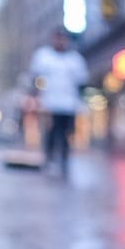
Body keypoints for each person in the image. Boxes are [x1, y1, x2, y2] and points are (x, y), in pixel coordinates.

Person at [29, 29, 88, 176]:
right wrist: (35, 96)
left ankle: (64, 159)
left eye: (63, 39)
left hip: (69, 104)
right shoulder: (43, 56)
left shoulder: (75, 60)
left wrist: (81, 102)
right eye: (57, 38)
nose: (60, 42)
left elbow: (82, 82)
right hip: (49, 103)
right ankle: (49, 159)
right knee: (50, 132)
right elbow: (35, 78)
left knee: (66, 133)